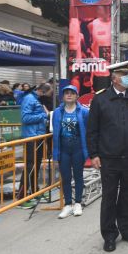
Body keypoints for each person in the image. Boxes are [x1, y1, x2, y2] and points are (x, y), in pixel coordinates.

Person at [87, 61, 128, 252]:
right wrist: (94, 154)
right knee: (109, 197)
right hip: (109, 158)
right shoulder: (101, 99)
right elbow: (92, 130)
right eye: (125, 75)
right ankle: (109, 235)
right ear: (114, 78)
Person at [52, 85, 89, 219]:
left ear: (77, 96)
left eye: (72, 93)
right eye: (66, 93)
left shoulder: (84, 112)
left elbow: (88, 131)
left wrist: (88, 150)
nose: (69, 95)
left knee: (78, 175)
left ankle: (78, 203)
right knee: (65, 177)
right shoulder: (57, 112)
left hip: (77, 147)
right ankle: (67, 204)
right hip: (63, 148)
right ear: (62, 96)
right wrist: (55, 154)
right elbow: (55, 133)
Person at [17, 83, 51, 206]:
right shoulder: (29, 99)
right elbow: (25, 118)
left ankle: (34, 191)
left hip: (38, 136)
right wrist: (43, 115)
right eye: (49, 92)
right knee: (30, 166)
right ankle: (21, 197)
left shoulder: (35, 99)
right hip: (31, 137)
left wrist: (46, 119)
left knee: (36, 165)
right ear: (43, 91)